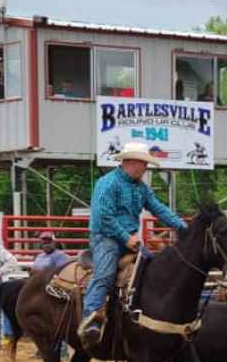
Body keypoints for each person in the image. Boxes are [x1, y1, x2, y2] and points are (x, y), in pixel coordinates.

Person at [78, 142, 187, 347]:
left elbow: (160, 209)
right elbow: (103, 216)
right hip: (106, 237)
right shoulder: (108, 183)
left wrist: (183, 228)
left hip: (130, 239)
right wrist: (126, 238)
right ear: (129, 162)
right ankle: (91, 319)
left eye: (146, 164)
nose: (146, 168)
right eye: (143, 163)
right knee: (105, 272)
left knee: (152, 267)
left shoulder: (141, 189)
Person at [32, 231, 71, 359]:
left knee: (58, 321)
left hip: (56, 293)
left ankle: (63, 350)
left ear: (54, 242)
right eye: (44, 242)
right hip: (41, 294)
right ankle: (43, 349)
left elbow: (63, 273)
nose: (46, 244)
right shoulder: (39, 257)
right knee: (42, 323)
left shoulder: (61, 256)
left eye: (49, 241)